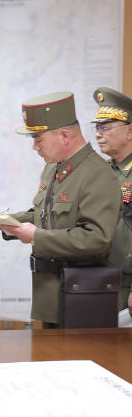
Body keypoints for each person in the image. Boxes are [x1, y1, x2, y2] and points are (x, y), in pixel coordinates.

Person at [0, 91, 119, 328]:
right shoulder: (54, 168)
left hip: (82, 294)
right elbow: (43, 215)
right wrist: (8, 222)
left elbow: (96, 238)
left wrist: (36, 237)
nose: (35, 147)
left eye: (38, 139)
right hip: (50, 294)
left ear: (65, 136)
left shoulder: (98, 174)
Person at [90, 87, 132, 310]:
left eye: (105, 128)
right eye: (97, 128)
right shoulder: (102, 172)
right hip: (101, 279)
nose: (98, 134)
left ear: (130, 131)